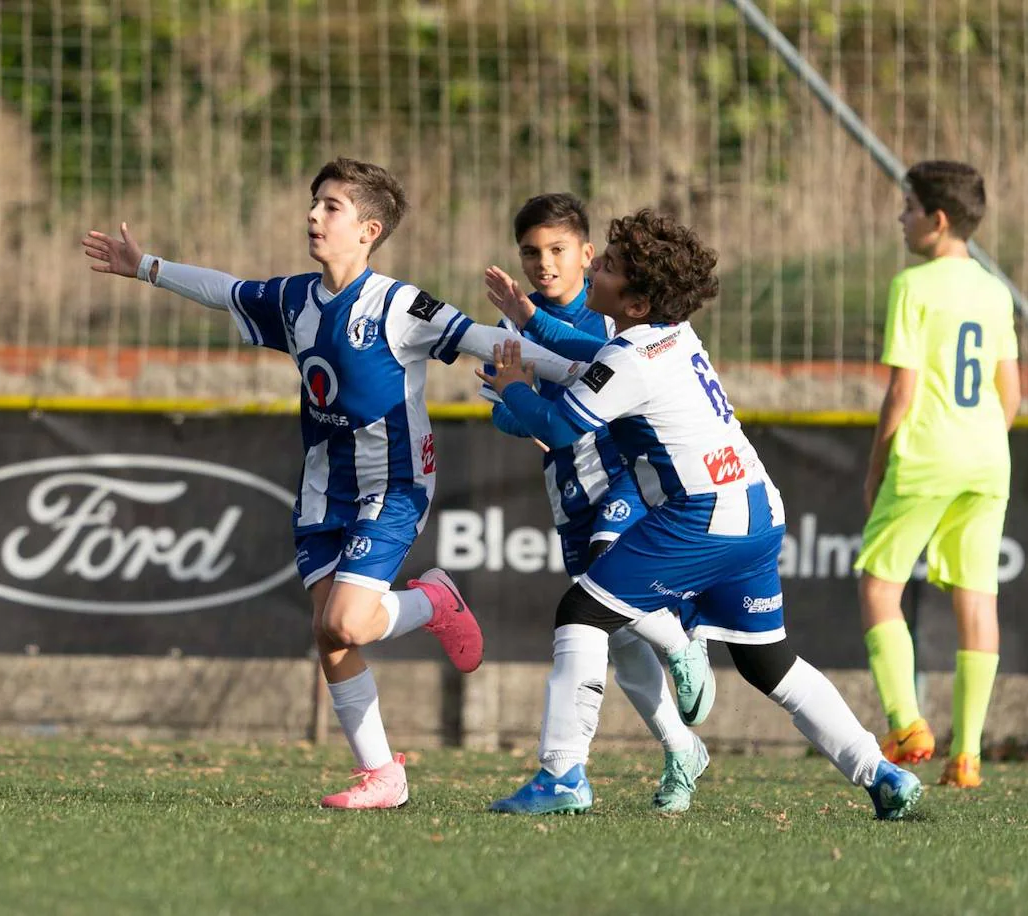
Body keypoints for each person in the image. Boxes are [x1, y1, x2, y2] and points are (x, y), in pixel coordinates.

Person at [83, 157, 587, 809]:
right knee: (328, 632)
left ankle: (433, 602)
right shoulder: (296, 299)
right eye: (315, 203)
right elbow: (226, 290)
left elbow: (484, 339)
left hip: (395, 484)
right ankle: (383, 775)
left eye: (331, 207)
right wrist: (147, 266)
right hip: (322, 490)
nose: (313, 216)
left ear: (369, 231)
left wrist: (587, 371)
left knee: (348, 622)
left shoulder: (400, 305)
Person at [478, 207, 923, 820]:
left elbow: (556, 425)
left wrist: (512, 386)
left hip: (700, 515)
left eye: (606, 265)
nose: (595, 269)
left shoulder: (631, 358)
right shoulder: (671, 333)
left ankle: (562, 775)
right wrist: (530, 322)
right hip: (759, 509)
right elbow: (588, 347)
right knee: (769, 661)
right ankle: (880, 772)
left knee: (581, 610)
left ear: (633, 301)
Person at [481, 193, 704, 814]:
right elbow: (505, 412)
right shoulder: (510, 326)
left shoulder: (616, 312)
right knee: (617, 636)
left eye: (557, 250)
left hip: (626, 478)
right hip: (569, 489)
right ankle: (681, 747)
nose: (543, 263)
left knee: (610, 588)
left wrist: (534, 393)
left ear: (588, 255)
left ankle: (682, 643)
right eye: (531, 252)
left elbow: (600, 380)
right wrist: (515, 404)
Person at [856, 161, 1021, 789]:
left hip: (928, 455)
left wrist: (876, 468)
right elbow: (1012, 396)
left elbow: (902, 391)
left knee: (878, 586)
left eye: (907, 207)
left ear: (937, 220)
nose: (901, 218)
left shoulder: (914, 286)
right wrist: (980, 443)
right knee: (977, 597)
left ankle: (906, 726)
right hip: (988, 459)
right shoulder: (994, 290)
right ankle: (969, 755)